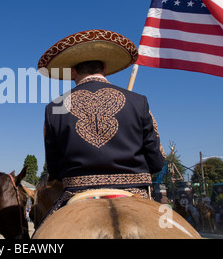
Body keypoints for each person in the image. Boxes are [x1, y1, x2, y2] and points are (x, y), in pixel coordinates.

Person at [37, 29, 166, 219]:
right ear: (104, 68)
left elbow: (53, 169)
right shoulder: (138, 102)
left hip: (76, 192)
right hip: (135, 192)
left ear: (73, 71)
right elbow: (157, 162)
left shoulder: (55, 107)